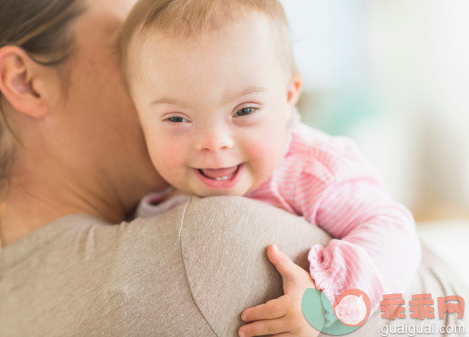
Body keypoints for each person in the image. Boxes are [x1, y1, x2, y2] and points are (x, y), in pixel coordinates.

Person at [0, 0, 467, 336]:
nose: (211, 140)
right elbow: (452, 311)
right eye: (126, 54)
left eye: (243, 109)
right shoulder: (197, 245)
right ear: (25, 82)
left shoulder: (4, 307)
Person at [120, 1, 421, 335]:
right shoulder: (150, 187)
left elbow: (391, 228)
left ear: (289, 95)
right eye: (177, 118)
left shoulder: (310, 170)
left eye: (245, 111)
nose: (214, 141)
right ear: (138, 116)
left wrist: (325, 305)